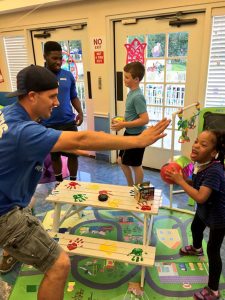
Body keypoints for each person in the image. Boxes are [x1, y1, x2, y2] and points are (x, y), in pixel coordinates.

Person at [0, 65, 170, 300]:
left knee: (28, 209)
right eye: (51, 97)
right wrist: (138, 140)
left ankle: (8, 255)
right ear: (31, 96)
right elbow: (81, 136)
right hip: (5, 214)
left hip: (10, 201)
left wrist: (73, 146)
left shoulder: (8, 113)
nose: (57, 103)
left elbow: (61, 143)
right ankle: (9, 251)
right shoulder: (24, 131)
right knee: (59, 265)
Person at [165, 130, 225, 300]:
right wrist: (183, 177)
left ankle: (213, 290)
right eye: (197, 141)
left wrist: (180, 182)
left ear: (214, 153)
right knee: (195, 227)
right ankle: (197, 249)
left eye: (203, 144)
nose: (196, 145)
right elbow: (197, 183)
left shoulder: (215, 170)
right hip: (205, 209)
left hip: (219, 217)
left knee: (213, 250)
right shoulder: (200, 164)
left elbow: (200, 196)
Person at [42, 41, 83, 183]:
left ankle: (73, 181)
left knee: (73, 154)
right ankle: (59, 182)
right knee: (55, 155)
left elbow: (73, 96)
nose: (58, 61)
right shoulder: (39, 76)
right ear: (45, 57)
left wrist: (80, 112)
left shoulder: (68, 75)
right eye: (54, 58)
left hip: (68, 122)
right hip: (49, 124)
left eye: (60, 58)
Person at [111, 61, 149, 186]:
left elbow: (144, 119)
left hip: (137, 136)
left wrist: (123, 125)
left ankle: (135, 190)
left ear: (136, 79)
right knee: (121, 160)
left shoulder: (137, 96)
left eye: (127, 77)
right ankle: (131, 186)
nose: (124, 80)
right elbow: (133, 116)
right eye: (124, 76)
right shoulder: (131, 93)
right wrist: (122, 120)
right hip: (130, 133)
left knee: (135, 165)